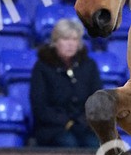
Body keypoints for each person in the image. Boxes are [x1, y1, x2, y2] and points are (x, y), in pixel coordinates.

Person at [30, 18, 101, 148]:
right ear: (55, 42)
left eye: (74, 40)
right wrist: (68, 123)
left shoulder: (89, 66)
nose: (70, 44)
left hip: (84, 126)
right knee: (68, 143)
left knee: (94, 143)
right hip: (52, 128)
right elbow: (40, 107)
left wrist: (83, 121)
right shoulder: (42, 67)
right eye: (65, 39)